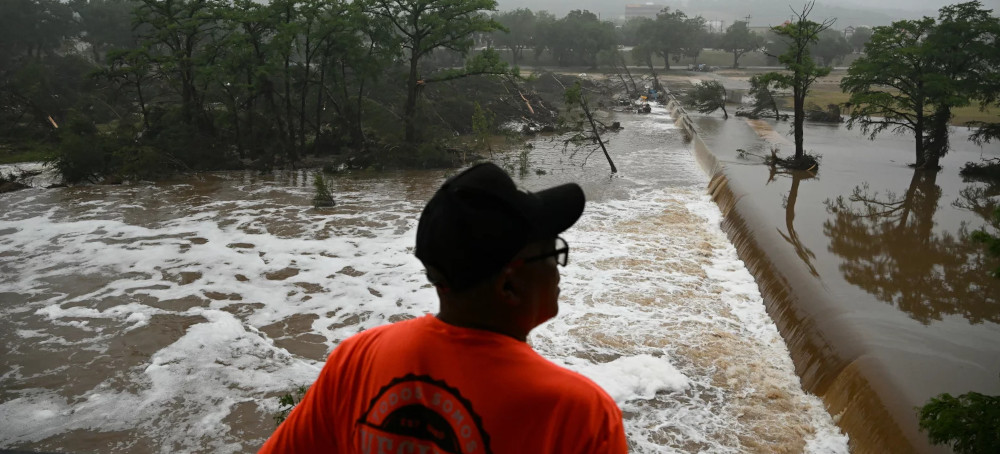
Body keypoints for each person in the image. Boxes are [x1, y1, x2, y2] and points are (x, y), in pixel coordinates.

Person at [259, 163, 628, 454]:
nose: (558, 270)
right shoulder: (578, 413)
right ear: (508, 285)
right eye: (554, 253)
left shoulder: (357, 359)